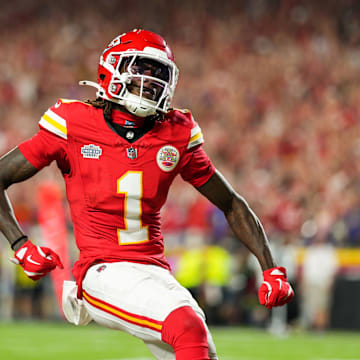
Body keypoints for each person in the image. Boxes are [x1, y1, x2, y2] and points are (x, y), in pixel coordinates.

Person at [0, 29, 294, 359]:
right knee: (187, 326)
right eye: (141, 69)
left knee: (201, 350)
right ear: (111, 70)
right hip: (102, 270)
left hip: (154, 270)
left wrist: (271, 268)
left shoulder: (176, 132)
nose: (151, 81)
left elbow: (230, 203)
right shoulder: (75, 123)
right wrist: (20, 245)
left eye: (158, 73)